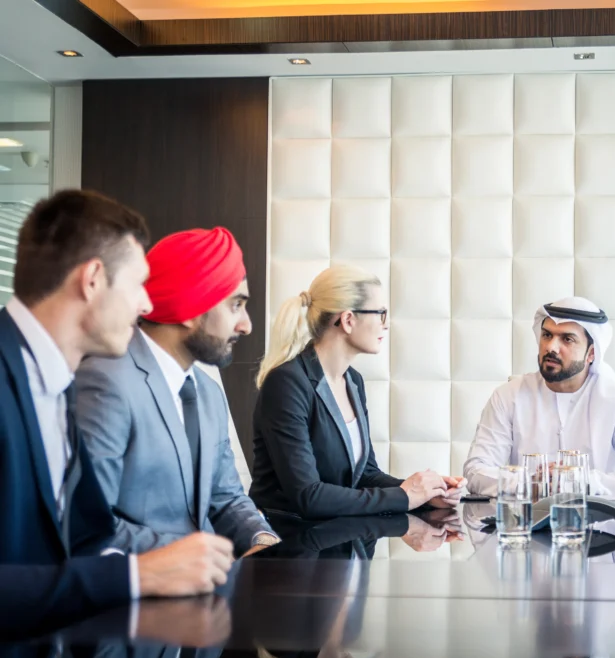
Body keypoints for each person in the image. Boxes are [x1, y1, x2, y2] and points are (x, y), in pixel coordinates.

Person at [0, 190, 236, 634]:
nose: (147, 304)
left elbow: (81, 538)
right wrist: (136, 575)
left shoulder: (59, 384)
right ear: (92, 280)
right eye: (138, 284)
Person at [73, 227, 278, 558]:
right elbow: (89, 524)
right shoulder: (105, 382)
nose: (245, 325)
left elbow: (226, 497)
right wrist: (194, 554)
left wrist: (261, 538)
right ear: (190, 308)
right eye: (236, 305)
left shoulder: (209, 393)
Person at [250, 264, 463, 519]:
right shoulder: (287, 383)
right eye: (381, 313)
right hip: (288, 536)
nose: (386, 324)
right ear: (348, 320)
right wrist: (405, 496)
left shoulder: (353, 381)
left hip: (337, 533)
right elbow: (308, 495)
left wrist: (425, 495)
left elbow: (365, 475)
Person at [464, 296, 615, 497]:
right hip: (526, 515)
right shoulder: (509, 396)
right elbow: (476, 471)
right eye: (547, 335)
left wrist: (582, 482)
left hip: (598, 517)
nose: (551, 347)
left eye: (567, 339)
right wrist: (531, 482)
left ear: (591, 354)